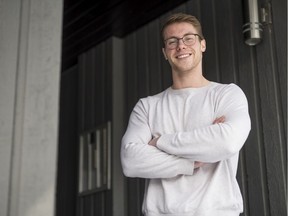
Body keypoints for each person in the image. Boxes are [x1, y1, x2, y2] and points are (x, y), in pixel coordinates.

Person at [121, 12, 251, 216]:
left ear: (202, 45)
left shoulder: (227, 94)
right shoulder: (147, 106)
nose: (181, 46)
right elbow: (130, 161)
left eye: (189, 38)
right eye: (172, 41)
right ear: (165, 52)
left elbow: (227, 142)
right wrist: (192, 161)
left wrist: (159, 142)